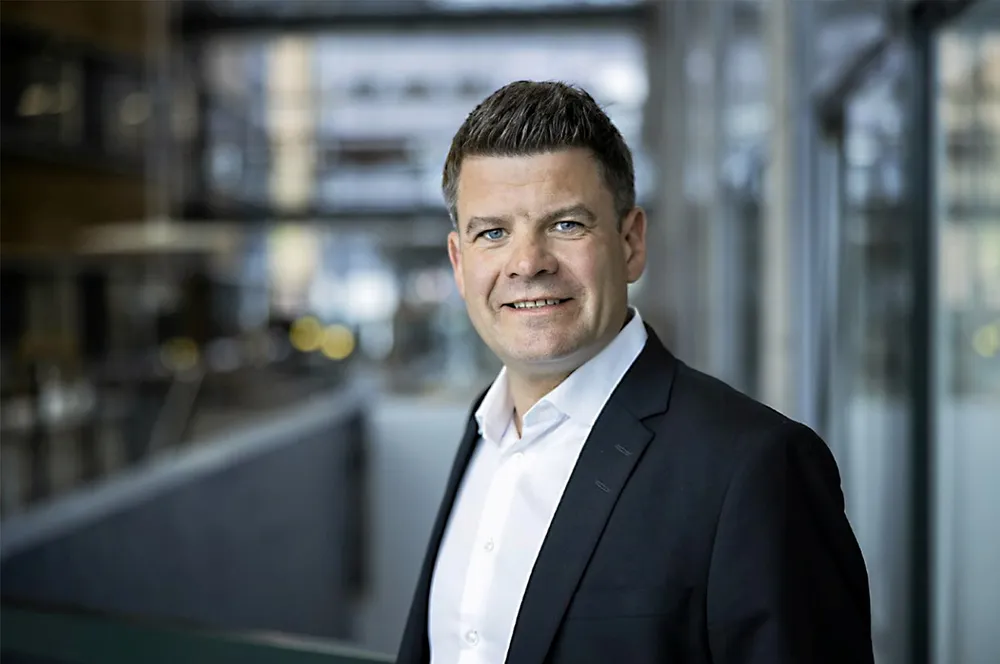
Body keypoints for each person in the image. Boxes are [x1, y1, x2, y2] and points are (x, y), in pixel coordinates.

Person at [397, 81, 874, 664]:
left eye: (566, 225)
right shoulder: (481, 434)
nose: (527, 263)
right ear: (459, 261)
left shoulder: (755, 468)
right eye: (492, 233)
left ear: (630, 243)